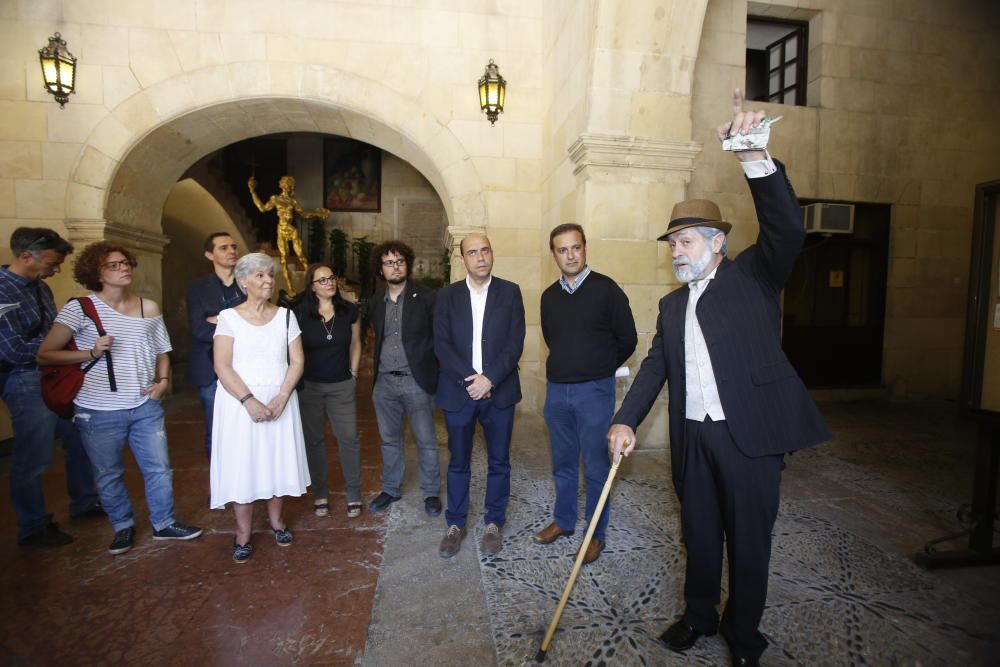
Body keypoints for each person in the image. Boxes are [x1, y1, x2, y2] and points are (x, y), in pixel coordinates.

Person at [607, 89, 831, 667]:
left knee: (749, 544)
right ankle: (698, 615)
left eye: (685, 241)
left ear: (717, 243)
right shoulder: (672, 306)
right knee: (700, 535)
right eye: (673, 243)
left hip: (749, 437)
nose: (676, 251)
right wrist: (625, 420)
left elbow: (787, 230)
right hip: (695, 439)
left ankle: (744, 635)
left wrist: (754, 156)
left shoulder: (755, 275)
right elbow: (657, 366)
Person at [38, 242, 203, 556]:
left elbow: (162, 351)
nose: (124, 268)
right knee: (108, 472)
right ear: (96, 272)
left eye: (126, 262)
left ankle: (164, 522)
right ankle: (122, 526)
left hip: (144, 404)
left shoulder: (148, 307)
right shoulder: (80, 308)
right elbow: (45, 354)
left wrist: (163, 381)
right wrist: (91, 352)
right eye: (113, 265)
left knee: (159, 468)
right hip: (97, 408)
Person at [535, 224, 636, 564]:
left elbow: (628, 338)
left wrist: (598, 367)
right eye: (562, 250)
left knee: (595, 466)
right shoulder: (549, 296)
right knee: (562, 463)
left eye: (575, 248)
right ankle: (563, 521)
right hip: (558, 392)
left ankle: (595, 534)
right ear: (554, 255)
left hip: (594, 391)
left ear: (584, 248)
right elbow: (554, 338)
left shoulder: (606, 290)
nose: (570, 255)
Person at [0, 228, 100, 548]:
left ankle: (85, 501)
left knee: (79, 436)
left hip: (56, 374)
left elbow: (54, 332)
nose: (56, 270)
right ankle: (33, 525)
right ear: (26, 256)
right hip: (24, 378)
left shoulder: (40, 288)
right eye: (53, 262)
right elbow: (12, 350)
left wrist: (58, 352)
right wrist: (58, 352)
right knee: (34, 453)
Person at [211, 253, 310, 563]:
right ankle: (243, 532)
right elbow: (222, 366)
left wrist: (282, 395)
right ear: (243, 282)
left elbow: (297, 361)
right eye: (260, 276)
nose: (268, 281)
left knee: (276, 461)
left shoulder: (285, 316)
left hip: (280, 398)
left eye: (270, 275)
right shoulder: (228, 317)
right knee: (244, 463)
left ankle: (277, 521)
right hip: (239, 402)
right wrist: (248, 400)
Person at [434, 233, 525, 557]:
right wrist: (470, 381)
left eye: (485, 250)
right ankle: (455, 523)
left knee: (499, 460)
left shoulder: (510, 292)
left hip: (498, 394)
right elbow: (441, 344)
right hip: (459, 395)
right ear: (463, 260)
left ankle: (494, 522)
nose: (481, 257)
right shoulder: (446, 297)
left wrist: (490, 379)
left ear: (491, 253)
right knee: (459, 461)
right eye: (473, 252)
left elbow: (515, 342)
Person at [366, 241, 442, 517]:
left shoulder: (427, 297)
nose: (395, 266)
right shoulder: (375, 300)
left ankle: (431, 492)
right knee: (389, 440)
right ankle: (391, 489)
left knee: (426, 439)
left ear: (407, 264)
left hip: (416, 381)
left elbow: (440, 338)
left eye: (399, 261)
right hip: (384, 383)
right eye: (389, 262)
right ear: (381, 269)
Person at [292, 262, 363, 519]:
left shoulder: (349, 311)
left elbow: (356, 343)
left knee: (349, 439)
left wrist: (354, 373)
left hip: (341, 384)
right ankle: (320, 492)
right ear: (312, 286)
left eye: (331, 277)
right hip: (309, 386)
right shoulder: (299, 313)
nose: (329, 283)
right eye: (322, 280)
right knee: (314, 441)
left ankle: (354, 493)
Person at [185, 232, 245, 459]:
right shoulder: (197, 289)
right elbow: (199, 330)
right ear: (209, 254)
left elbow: (258, 325)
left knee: (246, 427)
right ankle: (220, 489)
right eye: (223, 248)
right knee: (216, 430)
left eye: (233, 246)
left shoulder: (250, 284)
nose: (231, 251)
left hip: (245, 366)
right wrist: (237, 324)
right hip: (210, 370)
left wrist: (218, 319)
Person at [248, 175, 329, 294]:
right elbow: (262, 208)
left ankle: (313, 283)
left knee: (301, 256)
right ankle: (290, 289)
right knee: (284, 260)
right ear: (281, 185)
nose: (287, 186)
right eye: (285, 183)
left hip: (291, 230)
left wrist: (317, 213)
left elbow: (304, 214)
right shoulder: (275, 199)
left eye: (289, 184)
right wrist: (252, 191)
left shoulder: (292, 201)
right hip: (281, 230)